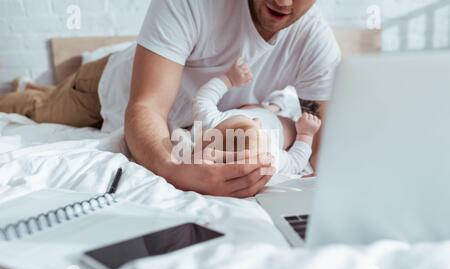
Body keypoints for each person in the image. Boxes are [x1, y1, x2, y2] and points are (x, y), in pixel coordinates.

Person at [0, 0, 341, 197]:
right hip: (106, 89)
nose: (282, 1)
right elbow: (146, 107)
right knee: (38, 109)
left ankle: (35, 87)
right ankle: (24, 90)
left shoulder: (316, 41)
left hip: (182, 119)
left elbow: (325, 145)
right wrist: (174, 169)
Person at [188, 56, 322, 175]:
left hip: (258, 107)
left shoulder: (210, 122)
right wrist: (305, 135)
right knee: (290, 126)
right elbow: (295, 162)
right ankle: (280, 105)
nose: (257, 121)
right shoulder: (269, 156)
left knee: (256, 108)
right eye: (259, 129)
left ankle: (274, 106)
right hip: (281, 124)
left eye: (247, 122)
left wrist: (228, 79)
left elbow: (203, 98)